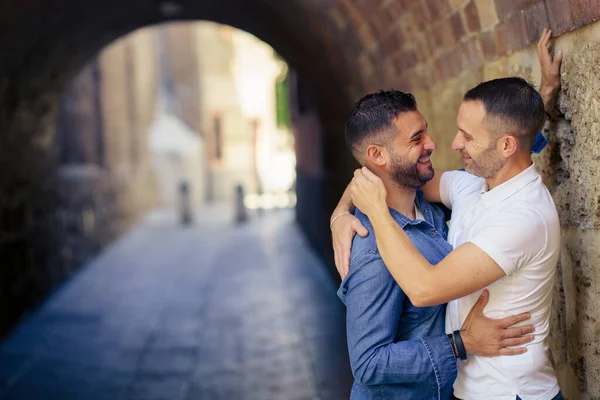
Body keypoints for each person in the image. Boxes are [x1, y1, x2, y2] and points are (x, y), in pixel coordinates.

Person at [332, 29, 564, 400]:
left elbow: (425, 288)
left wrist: (373, 209)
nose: (447, 145)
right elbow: (388, 173)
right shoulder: (472, 187)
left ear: (505, 145)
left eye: (466, 137)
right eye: (417, 138)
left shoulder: (522, 216)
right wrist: (342, 212)